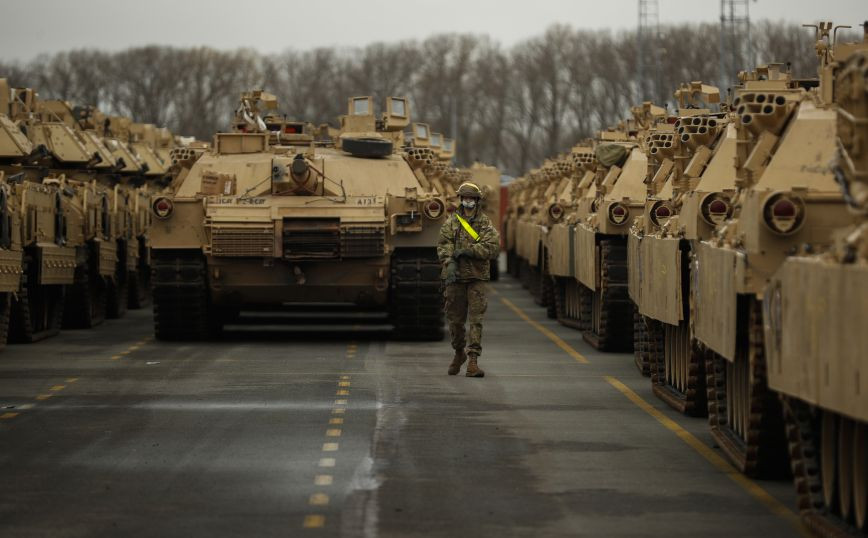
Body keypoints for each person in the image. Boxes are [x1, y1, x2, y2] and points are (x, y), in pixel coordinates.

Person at [437, 181, 501, 377]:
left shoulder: (484, 223)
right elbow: (443, 243)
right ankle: (459, 352)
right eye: (465, 198)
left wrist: (469, 251)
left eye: (471, 198)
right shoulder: (451, 222)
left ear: (477, 200)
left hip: (476, 276)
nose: (468, 201)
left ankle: (473, 359)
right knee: (455, 321)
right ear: (461, 199)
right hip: (455, 277)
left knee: (476, 320)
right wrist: (449, 261)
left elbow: (492, 247)